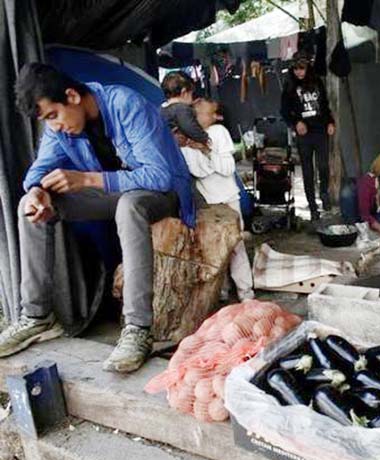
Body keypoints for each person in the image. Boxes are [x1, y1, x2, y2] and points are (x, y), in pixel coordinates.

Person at [0, 63, 195, 372]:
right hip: (115, 195)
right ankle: (37, 316)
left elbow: (159, 176)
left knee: (129, 206)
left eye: (54, 115)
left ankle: (137, 329)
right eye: (46, 120)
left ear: (72, 96)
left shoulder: (125, 104)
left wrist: (88, 180)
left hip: (161, 194)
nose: (54, 126)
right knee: (30, 205)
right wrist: (38, 191)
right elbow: (39, 169)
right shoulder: (59, 129)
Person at [180, 98, 254, 300]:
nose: (215, 117)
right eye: (210, 113)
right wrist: (211, 157)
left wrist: (205, 150)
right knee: (213, 248)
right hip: (209, 203)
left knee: (235, 246)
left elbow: (228, 168)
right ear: (196, 116)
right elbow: (199, 171)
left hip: (229, 197)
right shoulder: (185, 142)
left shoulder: (219, 132)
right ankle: (220, 291)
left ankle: (246, 292)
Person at [280, 51, 335, 221]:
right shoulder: (289, 85)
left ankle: (324, 192)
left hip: (320, 130)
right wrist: (296, 123)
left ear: (307, 67)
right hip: (304, 134)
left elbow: (324, 104)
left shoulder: (317, 81)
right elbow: (284, 111)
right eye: (296, 68)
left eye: (302, 68)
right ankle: (312, 207)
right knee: (307, 171)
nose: (299, 72)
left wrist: (330, 122)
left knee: (324, 166)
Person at [159, 71, 209, 152]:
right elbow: (190, 127)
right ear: (184, 92)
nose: (192, 98)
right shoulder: (181, 109)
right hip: (181, 149)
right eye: (192, 93)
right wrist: (204, 137)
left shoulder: (162, 108)